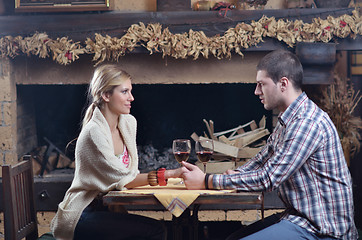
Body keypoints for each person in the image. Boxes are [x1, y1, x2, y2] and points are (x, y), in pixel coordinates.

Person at [181, 50, 358, 240]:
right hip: (299, 219)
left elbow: (268, 179)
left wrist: (207, 180)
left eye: (261, 84)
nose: (256, 91)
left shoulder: (306, 123)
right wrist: (237, 174)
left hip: (323, 231)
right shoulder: (288, 119)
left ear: (283, 84)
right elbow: (261, 159)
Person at [51, 64, 182, 240]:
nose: (132, 98)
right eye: (125, 92)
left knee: (158, 227)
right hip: (82, 213)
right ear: (106, 95)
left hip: (107, 207)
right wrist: (170, 174)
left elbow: (129, 174)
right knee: (155, 230)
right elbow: (123, 178)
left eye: (131, 91)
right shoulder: (94, 132)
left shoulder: (128, 123)